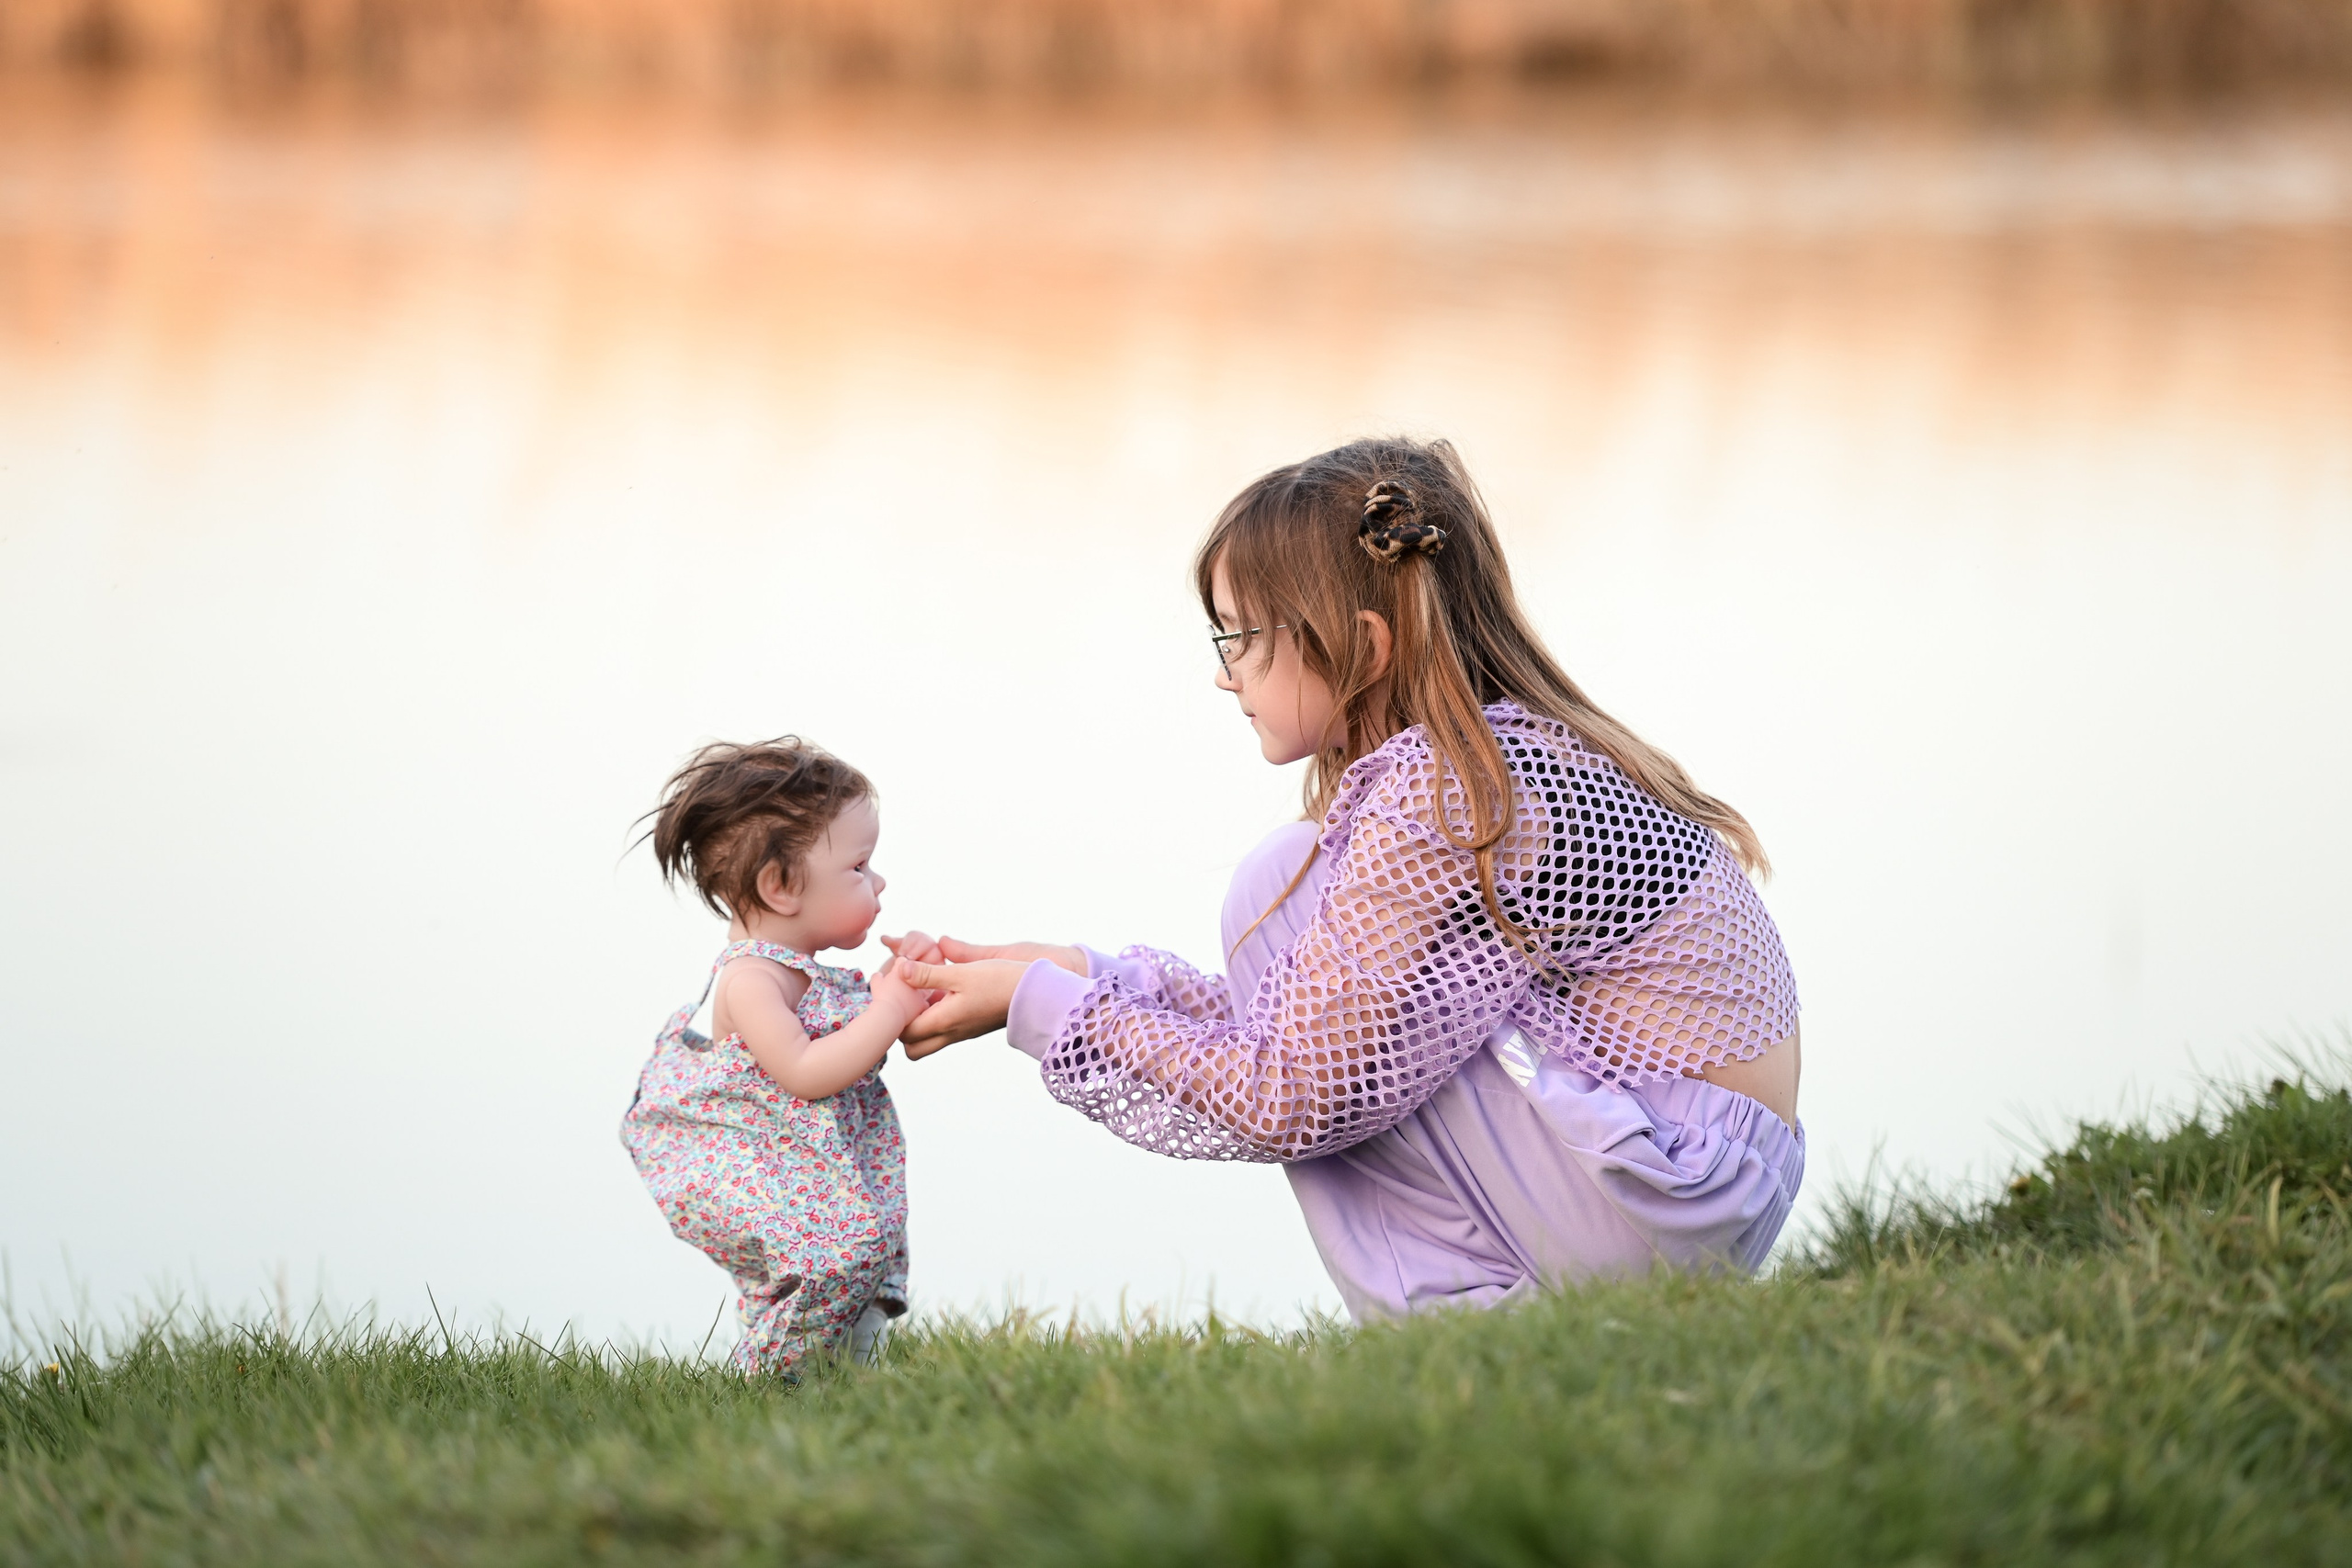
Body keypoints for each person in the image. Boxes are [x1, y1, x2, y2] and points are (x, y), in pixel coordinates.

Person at [894, 436, 1805, 1320]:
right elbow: (1328, 1025)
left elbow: (1286, 1092)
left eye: (1240, 639)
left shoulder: (1444, 791)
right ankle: (1469, 1312)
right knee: (1289, 893)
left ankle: (1455, 1317)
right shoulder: (1490, 760)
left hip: (1657, 1202)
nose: (1225, 677)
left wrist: (1040, 1006)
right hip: (1685, 1193)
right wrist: (1079, 971)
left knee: (1279, 882)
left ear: (1363, 648)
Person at [620, 739, 940, 1374]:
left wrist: (900, 983)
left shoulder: (799, 970)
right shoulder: (751, 981)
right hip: (783, 1178)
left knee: (868, 1255)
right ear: (780, 886)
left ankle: (852, 1369)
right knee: (833, 1258)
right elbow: (807, 1071)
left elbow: (849, 1031)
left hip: (825, 1172)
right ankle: (773, 1374)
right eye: (859, 867)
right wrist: (892, 1008)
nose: (878, 881)